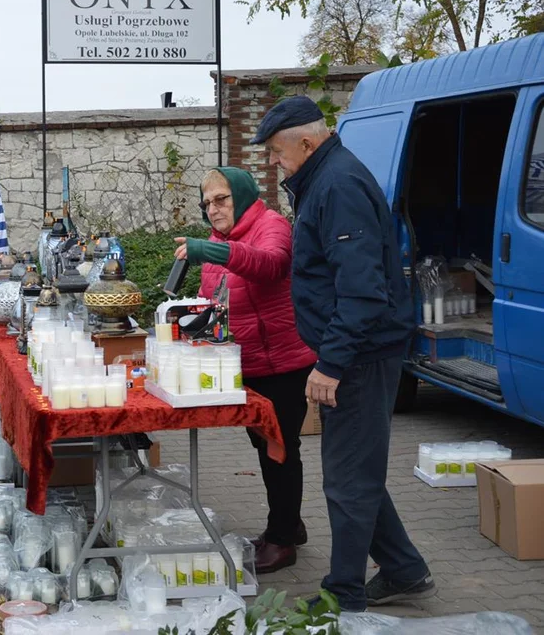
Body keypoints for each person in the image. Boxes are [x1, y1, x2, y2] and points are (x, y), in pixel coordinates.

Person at [255, 96, 434, 611]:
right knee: (356, 471)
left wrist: (331, 363)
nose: (273, 162)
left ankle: (344, 597)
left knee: (348, 481)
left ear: (306, 143)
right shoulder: (325, 180)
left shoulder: (337, 185)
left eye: (275, 151)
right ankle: (403, 569)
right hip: (357, 349)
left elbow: (361, 287)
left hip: (359, 356)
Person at [172, 167, 317, 574]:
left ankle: (283, 539)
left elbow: (270, 265)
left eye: (221, 199)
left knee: (280, 449)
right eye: (207, 203)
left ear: (242, 194)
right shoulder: (216, 242)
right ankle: (289, 523)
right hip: (247, 363)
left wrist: (212, 250)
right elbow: (210, 304)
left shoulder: (271, 225)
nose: (213, 209)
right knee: (265, 447)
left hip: (283, 361)